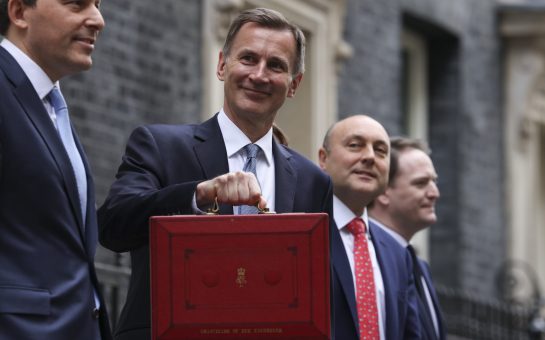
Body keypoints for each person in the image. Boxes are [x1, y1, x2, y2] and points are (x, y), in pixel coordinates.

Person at [98, 8, 333, 340]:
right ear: (223, 65)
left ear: (294, 85)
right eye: (248, 58)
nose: (260, 75)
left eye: (276, 65)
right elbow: (112, 227)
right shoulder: (160, 145)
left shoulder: (314, 181)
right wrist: (198, 195)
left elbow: (319, 293)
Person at [0, 0, 111, 339]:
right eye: (76, 4)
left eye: (97, 4)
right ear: (19, 12)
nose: (98, 20)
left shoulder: (50, 102)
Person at [319, 115, 420, 339]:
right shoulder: (304, 237)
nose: (370, 157)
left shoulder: (398, 255)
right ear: (323, 159)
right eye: (355, 146)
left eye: (381, 151)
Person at [369, 137, 446, 339]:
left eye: (434, 181)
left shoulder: (419, 267)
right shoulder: (366, 262)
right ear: (383, 191)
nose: (435, 193)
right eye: (421, 183)